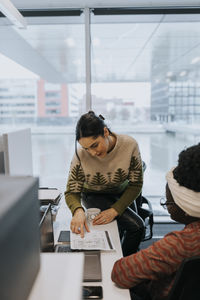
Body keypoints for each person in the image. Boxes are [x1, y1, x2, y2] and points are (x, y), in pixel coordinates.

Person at [111, 143, 200, 300]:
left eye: (167, 203)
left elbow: (120, 273)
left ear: (187, 206)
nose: (166, 205)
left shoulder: (181, 243)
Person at [65, 111, 145, 256]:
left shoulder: (129, 145)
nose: (92, 153)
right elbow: (72, 191)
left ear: (105, 132)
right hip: (93, 194)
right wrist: (78, 211)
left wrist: (115, 210)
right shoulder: (80, 154)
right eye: (86, 148)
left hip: (121, 191)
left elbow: (136, 184)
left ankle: (126, 262)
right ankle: (122, 263)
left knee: (135, 227)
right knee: (136, 227)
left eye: (95, 145)